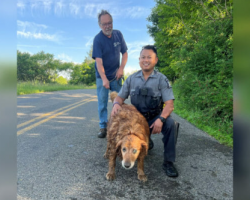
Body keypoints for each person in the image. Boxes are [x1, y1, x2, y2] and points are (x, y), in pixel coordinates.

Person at [111, 45, 179, 177]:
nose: (146, 60)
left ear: (156, 60)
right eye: (143, 57)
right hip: (136, 120)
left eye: (149, 57)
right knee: (119, 122)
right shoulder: (132, 78)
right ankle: (144, 141)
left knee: (171, 124)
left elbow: (169, 105)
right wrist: (115, 104)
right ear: (139, 59)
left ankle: (168, 162)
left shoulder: (162, 79)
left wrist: (161, 119)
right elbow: (119, 97)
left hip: (154, 118)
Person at [92, 10, 128, 138]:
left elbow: (124, 53)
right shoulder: (98, 39)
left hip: (116, 75)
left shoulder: (118, 34)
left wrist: (121, 68)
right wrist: (104, 79)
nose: (107, 26)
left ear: (112, 22)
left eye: (109, 23)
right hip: (102, 77)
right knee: (102, 103)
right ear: (100, 25)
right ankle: (103, 127)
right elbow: (98, 62)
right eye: (104, 24)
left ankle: (119, 125)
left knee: (119, 101)